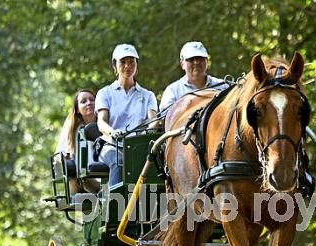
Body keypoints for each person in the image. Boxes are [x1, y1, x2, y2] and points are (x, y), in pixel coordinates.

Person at [95, 44, 158, 187]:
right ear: (114, 66)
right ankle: (116, 206)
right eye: (122, 62)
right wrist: (112, 132)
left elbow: (153, 121)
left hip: (139, 146)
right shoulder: (105, 93)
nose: (127, 66)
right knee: (120, 161)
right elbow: (101, 122)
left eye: (131, 62)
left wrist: (147, 132)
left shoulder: (148, 95)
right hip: (111, 145)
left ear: (137, 65)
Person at [159, 41, 227, 111]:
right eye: (191, 59)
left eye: (200, 58)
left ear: (207, 61)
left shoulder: (223, 87)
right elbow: (167, 118)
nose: (196, 62)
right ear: (182, 64)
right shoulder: (173, 91)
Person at [55, 89, 99, 193]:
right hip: (81, 177)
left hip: (102, 173)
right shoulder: (72, 128)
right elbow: (58, 155)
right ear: (78, 109)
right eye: (83, 101)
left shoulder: (105, 125)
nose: (89, 103)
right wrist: (65, 157)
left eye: (92, 100)